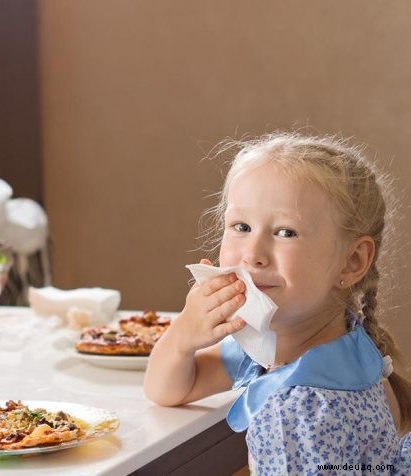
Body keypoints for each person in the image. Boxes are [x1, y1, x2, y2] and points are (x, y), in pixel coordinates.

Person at [144, 132, 411, 474]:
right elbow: (167, 391)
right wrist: (184, 337)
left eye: (286, 232)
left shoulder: (300, 412)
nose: (253, 255)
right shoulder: (298, 346)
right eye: (241, 226)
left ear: (352, 262)